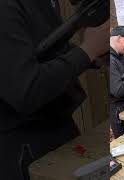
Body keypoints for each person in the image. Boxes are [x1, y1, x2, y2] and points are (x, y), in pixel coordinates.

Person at [0, 0, 108, 179]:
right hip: (25, 148)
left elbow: (47, 53)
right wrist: (89, 50)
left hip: (59, 129)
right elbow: (26, 89)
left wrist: (93, 58)